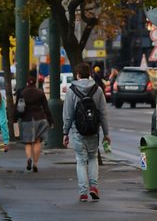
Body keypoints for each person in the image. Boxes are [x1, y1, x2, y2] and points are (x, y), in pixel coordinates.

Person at [63, 67, 110, 202]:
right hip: (94, 130)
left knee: (81, 160)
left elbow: (68, 114)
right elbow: (103, 113)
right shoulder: (98, 90)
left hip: (78, 130)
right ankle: (94, 187)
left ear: (78, 75)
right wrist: (106, 133)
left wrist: (65, 132)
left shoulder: (72, 90)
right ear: (89, 74)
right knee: (93, 157)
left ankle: (83, 192)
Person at [16, 73, 52, 174]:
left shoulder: (22, 93)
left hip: (27, 119)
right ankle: (35, 164)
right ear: (35, 83)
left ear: (27, 83)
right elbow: (46, 108)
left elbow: (17, 107)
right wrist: (50, 120)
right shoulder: (40, 93)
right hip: (39, 118)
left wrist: (15, 118)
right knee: (37, 141)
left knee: (28, 142)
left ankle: (29, 158)